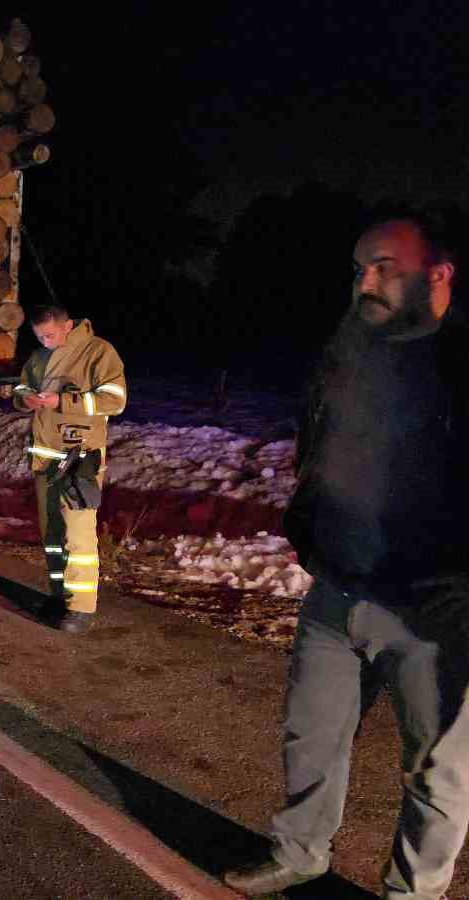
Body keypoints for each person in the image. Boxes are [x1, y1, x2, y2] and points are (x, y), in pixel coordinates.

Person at [223, 214, 467, 898]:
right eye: (360, 267)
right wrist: (312, 525)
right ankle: (300, 854)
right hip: (337, 588)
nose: (367, 281)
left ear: (439, 274)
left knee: (436, 770)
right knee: (311, 738)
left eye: (386, 266)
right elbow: (318, 440)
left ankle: (413, 893)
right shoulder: (348, 347)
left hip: (432, 611)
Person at [11, 305, 128, 633]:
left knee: (77, 532)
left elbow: (115, 400)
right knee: (52, 534)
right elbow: (20, 388)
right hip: (45, 458)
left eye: (49, 335)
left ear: (67, 327)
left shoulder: (98, 352)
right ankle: (60, 596)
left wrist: (62, 401)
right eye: (39, 337)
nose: (45, 342)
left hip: (80, 457)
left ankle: (81, 607)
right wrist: (27, 399)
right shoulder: (39, 357)